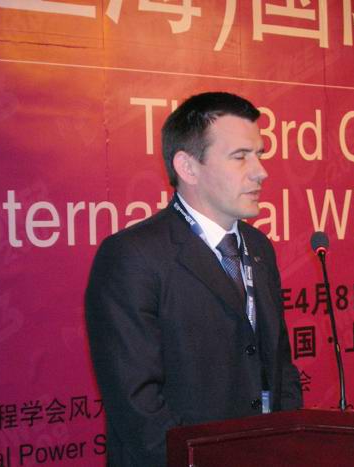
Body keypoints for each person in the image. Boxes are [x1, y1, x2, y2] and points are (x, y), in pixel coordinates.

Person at [85, 92, 302, 467]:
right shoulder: (132, 256)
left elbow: (280, 367)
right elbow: (138, 405)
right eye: (240, 156)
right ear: (187, 167)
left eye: (259, 154)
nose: (260, 171)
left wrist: (289, 444)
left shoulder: (259, 248)